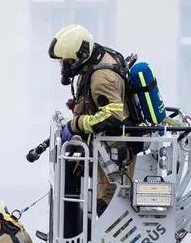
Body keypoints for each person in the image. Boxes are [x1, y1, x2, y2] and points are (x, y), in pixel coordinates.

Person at [48, 23, 131, 210]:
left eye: (67, 62)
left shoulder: (101, 77)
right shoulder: (92, 64)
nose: (65, 67)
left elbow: (112, 117)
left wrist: (75, 124)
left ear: (81, 56)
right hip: (104, 150)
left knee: (108, 204)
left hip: (114, 155)